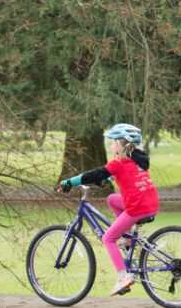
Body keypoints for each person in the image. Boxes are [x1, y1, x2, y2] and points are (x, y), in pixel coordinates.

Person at [60, 123, 160, 296]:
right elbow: (122, 175)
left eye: (112, 142)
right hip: (151, 204)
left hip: (137, 207)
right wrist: (105, 180)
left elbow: (93, 174)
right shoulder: (138, 162)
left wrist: (69, 182)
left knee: (108, 238)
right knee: (112, 199)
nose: (111, 146)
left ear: (121, 144)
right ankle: (128, 237)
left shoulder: (118, 163)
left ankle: (122, 277)